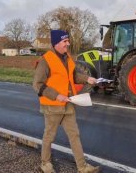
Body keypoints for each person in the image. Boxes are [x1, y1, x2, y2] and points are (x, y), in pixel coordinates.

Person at [33, 30, 100, 173]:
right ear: (56, 43)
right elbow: (37, 84)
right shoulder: (45, 60)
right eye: (65, 41)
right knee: (49, 136)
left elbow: (74, 75)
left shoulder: (67, 57)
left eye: (67, 41)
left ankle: (82, 167)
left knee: (74, 135)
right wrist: (56, 95)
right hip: (52, 106)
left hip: (68, 103)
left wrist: (87, 79)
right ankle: (45, 164)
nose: (68, 44)